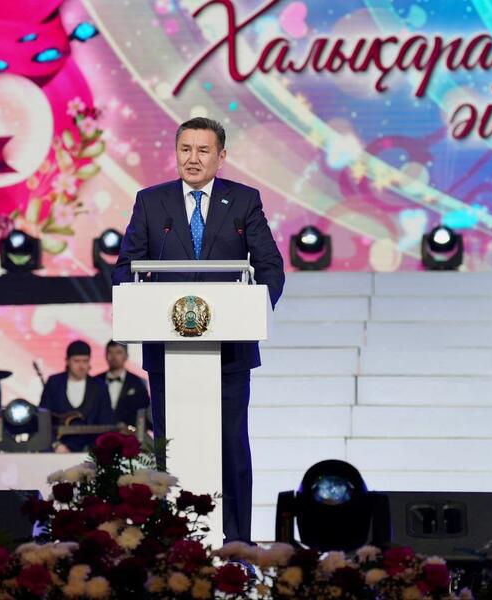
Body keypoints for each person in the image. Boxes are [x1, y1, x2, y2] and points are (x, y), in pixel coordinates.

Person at [112, 117, 285, 542]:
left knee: (231, 447)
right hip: (167, 353)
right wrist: (135, 301)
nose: (193, 158)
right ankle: (175, 541)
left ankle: (237, 541)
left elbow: (269, 266)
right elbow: (125, 268)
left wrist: (255, 309)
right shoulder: (151, 202)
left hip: (229, 354)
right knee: (172, 448)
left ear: (221, 157)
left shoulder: (243, 201)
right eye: (185, 149)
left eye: (203, 150)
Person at [39, 340, 115, 452]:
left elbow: (107, 420)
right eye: (76, 361)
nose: (81, 366)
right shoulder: (54, 383)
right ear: (67, 361)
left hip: (91, 450)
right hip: (57, 449)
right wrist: (56, 444)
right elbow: (43, 417)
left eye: (85, 361)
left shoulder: (99, 387)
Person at [94, 340, 151, 428]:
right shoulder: (95, 381)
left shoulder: (138, 382)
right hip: (99, 433)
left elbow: (144, 411)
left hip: (129, 434)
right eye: (110, 352)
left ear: (126, 355)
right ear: (105, 355)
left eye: (118, 352)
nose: (114, 357)